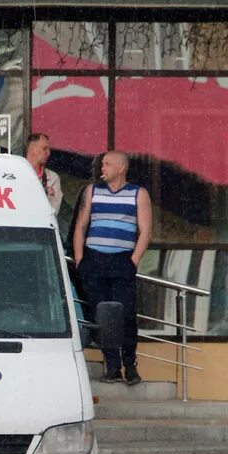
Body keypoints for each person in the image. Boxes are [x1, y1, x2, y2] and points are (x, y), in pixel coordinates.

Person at [71, 151, 152, 385]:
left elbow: (145, 231)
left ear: (121, 168)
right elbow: (81, 226)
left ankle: (130, 365)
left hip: (122, 261)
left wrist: (133, 261)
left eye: (107, 164)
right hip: (94, 260)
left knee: (126, 314)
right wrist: (80, 259)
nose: (102, 168)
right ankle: (112, 366)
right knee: (102, 315)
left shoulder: (138, 194)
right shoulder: (92, 191)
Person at [24, 133, 62, 216]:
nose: (48, 153)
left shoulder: (53, 178)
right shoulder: (15, 174)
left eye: (49, 149)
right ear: (32, 148)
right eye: (45, 148)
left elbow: (53, 212)